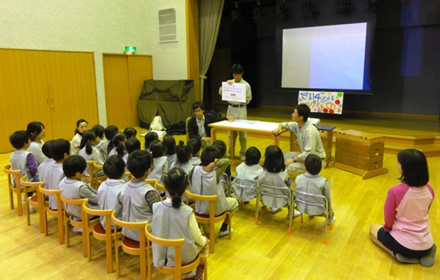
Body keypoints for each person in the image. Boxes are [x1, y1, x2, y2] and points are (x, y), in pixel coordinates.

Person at [369, 149, 436, 267]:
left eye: (398, 163)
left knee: (372, 230)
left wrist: (387, 230)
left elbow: (388, 221)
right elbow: (425, 211)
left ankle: (396, 254)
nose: (397, 165)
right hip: (426, 242)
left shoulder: (395, 191)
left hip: (403, 245)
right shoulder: (430, 190)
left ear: (406, 168)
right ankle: (428, 251)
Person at [151, 168, 208, 278]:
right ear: (187, 187)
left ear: (165, 187)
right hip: (183, 257)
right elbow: (197, 237)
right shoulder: (187, 212)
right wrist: (205, 241)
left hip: (160, 255)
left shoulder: (156, 207)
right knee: (204, 243)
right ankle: (192, 274)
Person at [189, 146, 238, 237]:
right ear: (215, 160)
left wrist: (208, 164)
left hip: (199, 208)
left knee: (204, 203)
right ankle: (224, 228)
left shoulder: (194, 170)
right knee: (234, 203)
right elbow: (226, 161)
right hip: (214, 210)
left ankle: (205, 228)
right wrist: (213, 164)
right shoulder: (215, 174)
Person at [272, 104, 325, 178]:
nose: (292, 114)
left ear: (300, 117)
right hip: (305, 156)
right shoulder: (298, 124)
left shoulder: (309, 131)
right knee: (280, 156)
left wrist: (292, 159)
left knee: (290, 167)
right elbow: (286, 124)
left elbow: (308, 154)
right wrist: (279, 127)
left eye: (294, 113)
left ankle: (309, 175)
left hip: (315, 161)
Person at [120, 150, 161, 241]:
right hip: (144, 235)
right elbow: (159, 214)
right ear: (148, 170)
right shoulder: (150, 192)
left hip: (126, 231)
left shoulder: (123, 187)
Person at [218, 64, 252, 161]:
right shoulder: (229, 83)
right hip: (231, 108)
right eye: (234, 74)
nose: (235, 76)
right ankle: (230, 152)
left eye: (237, 75)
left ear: (241, 74)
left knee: (243, 133)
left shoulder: (246, 85)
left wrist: (240, 98)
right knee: (231, 133)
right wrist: (225, 85)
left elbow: (248, 100)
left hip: (241, 109)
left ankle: (243, 153)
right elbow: (220, 92)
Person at [59, 155, 98, 231]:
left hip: (71, 211)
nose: (84, 172)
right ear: (77, 174)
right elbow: (96, 199)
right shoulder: (81, 187)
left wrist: (85, 183)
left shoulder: (62, 182)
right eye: (83, 171)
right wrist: (88, 184)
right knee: (108, 204)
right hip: (84, 213)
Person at [259, 145, 299, 216]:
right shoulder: (285, 174)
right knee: (291, 194)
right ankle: (290, 213)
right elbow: (287, 188)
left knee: (268, 188)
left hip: (266, 199)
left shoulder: (262, 172)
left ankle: (273, 207)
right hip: (282, 201)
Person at [295, 154, 334, 223]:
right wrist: (330, 213)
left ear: (305, 167)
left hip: (300, 207)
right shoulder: (323, 182)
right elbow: (328, 201)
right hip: (318, 210)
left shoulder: (298, 178)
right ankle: (329, 220)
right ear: (320, 168)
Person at [97, 155, 126, 229]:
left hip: (103, 221)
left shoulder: (102, 185)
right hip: (118, 224)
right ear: (124, 170)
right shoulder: (124, 188)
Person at [46, 139, 70, 210]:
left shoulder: (50, 166)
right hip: (63, 204)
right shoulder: (65, 170)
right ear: (65, 155)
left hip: (52, 202)